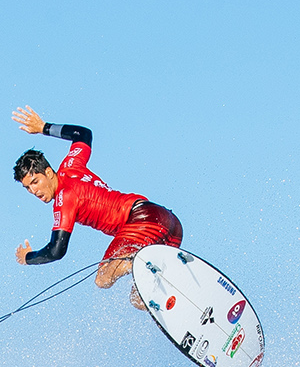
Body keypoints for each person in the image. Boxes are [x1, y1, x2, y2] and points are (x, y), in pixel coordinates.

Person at [10, 106, 182, 309]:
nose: (33, 191)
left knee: (103, 278)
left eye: (35, 182)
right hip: (168, 221)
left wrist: (28, 258)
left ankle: (145, 262)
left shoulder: (64, 199)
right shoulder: (71, 165)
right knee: (140, 300)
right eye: (27, 187)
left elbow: (56, 250)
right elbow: (83, 134)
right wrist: (44, 127)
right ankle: (187, 301)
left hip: (142, 220)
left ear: (48, 172)